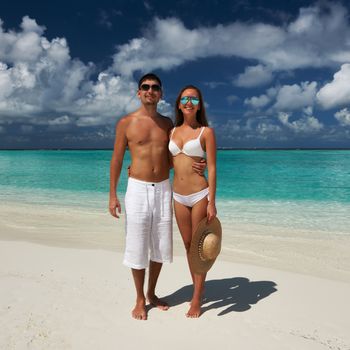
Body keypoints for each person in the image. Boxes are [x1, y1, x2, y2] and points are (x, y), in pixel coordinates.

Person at [109, 74, 205, 320]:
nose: (150, 91)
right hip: (137, 189)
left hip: (163, 188)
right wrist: (112, 194)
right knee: (137, 244)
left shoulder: (167, 126)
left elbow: (176, 157)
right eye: (145, 87)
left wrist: (198, 165)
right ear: (138, 92)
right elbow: (118, 159)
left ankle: (151, 292)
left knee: (161, 245)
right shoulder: (126, 123)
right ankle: (140, 299)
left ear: (161, 94)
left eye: (155, 88)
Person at [169, 85, 217, 318]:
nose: (189, 102)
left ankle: (197, 298)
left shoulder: (206, 132)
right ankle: (200, 287)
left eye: (194, 99)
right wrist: (136, 168)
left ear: (199, 105)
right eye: (185, 98)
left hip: (199, 194)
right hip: (177, 195)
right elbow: (170, 162)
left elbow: (213, 167)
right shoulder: (171, 130)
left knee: (199, 249)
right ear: (179, 104)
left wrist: (211, 202)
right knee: (188, 246)